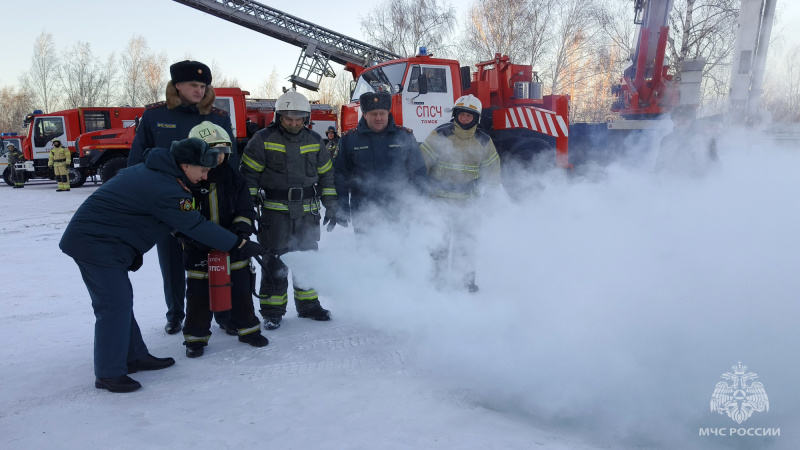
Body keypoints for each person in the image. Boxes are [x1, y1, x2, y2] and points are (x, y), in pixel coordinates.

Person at [59, 137, 266, 393]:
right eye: (202, 171)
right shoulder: (164, 186)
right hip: (95, 245)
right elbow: (194, 224)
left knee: (120, 302)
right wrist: (240, 245)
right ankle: (108, 373)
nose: (204, 177)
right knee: (113, 306)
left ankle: (134, 355)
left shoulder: (160, 173)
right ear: (186, 165)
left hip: (109, 244)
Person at [128, 60, 235, 336]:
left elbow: (230, 164)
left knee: (215, 256)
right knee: (172, 261)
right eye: (193, 85)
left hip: (209, 199)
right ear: (177, 86)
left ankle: (223, 312)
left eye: (203, 86)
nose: (200, 91)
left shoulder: (218, 117)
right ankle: (176, 314)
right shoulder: (154, 116)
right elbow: (137, 159)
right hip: (168, 200)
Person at [240, 89, 337, 330]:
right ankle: (272, 310)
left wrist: (332, 206)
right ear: (278, 117)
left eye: (299, 119)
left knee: (308, 259)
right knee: (275, 260)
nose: (294, 123)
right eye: (289, 118)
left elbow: (326, 176)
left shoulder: (314, 139)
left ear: (306, 118)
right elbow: (249, 177)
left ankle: (309, 306)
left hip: (307, 213)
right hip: (275, 212)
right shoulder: (262, 139)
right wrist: (248, 210)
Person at [180, 122, 268, 357]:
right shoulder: (187, 180)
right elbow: (179, 217)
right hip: (198, 249)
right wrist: (194, 239)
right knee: (198, 295)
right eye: (212, 153)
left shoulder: (233, 177)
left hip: (233, 246)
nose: (218, 158)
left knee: (241, 290)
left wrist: (241, 231)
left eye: (222, 152)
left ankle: (247, 329)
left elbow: (245, 208)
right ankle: (195, 338)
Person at [420, 95, 501, 292]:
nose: (464, 119)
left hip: (468, 203)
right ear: (455, 115)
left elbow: (492, 170)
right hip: (439, 201)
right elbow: (422, 164)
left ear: (476, 118)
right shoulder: (440, 134)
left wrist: (491, 195)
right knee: (439, 245)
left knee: (466, 244)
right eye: (461, 114)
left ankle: (466, 283)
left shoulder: (484, 141)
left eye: (469, 115)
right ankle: (436, 282)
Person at [333, 91, 427, 233]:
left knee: (398, 253)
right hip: (364, 212)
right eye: (373, 114)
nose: (378, 118)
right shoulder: (349, 140)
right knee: (366, 254)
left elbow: (418, 173)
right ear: (364, 114)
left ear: (388, 113)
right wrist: (342, 206)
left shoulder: (405, 137)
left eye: (382, 113)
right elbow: (339, 175)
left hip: (399, 212)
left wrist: (419, 205)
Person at [655, 105, 718, 176]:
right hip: (673, 181)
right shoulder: (666, 140)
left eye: (685, 119)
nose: (681, 122)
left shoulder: (706, 139)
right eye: (678, 119)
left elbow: (714, 164)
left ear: (692, 120)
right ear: (673, 121)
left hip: (699, 182)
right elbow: (660, 163)